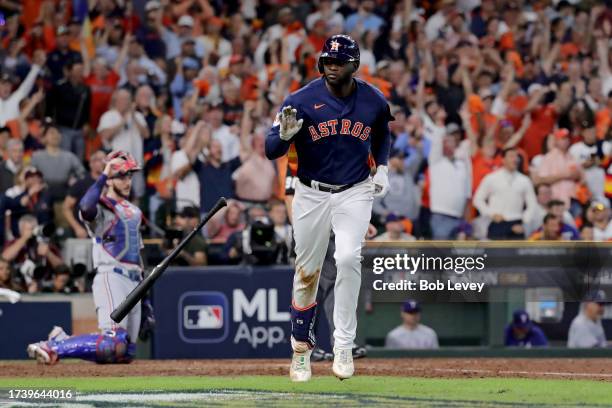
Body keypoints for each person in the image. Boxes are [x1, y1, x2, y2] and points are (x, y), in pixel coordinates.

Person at [265, 34, 392, 381]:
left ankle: (343, 345)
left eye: (339, 62)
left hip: (355, 190)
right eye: (328, 61)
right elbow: (270, 149)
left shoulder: (373, 100)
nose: (332, 66)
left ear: (354, 65)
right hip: (311, 191)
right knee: (307, 271)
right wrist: (285, 136)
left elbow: (382, 133)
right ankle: (300, 351)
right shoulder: (301, 100)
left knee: (349, 257)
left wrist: (381, 167)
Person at [26, 151, 146, 364]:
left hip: (134, 281)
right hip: (112, 276)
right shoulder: (100, 206)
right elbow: (85, 207)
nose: (127, 180)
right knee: (113, 343)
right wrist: (104, 175)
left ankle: (62, 339)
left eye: (129, 175)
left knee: (125, 352)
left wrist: (145, 299)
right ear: (109, 178)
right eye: (122, 175)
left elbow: (137, 253)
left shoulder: (134, 211)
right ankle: (52, 347)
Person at [473, 148, 538, 239]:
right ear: (503, 160)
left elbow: (532, 204)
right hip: (497, 223)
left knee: (516, 252)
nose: (515, 159)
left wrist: (524, 222)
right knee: (495, 252)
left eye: (516, 157)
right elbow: (477, 199)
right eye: (511, 156)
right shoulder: (492, 178)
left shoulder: (525, 180)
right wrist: (491, 214)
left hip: (517, 223)